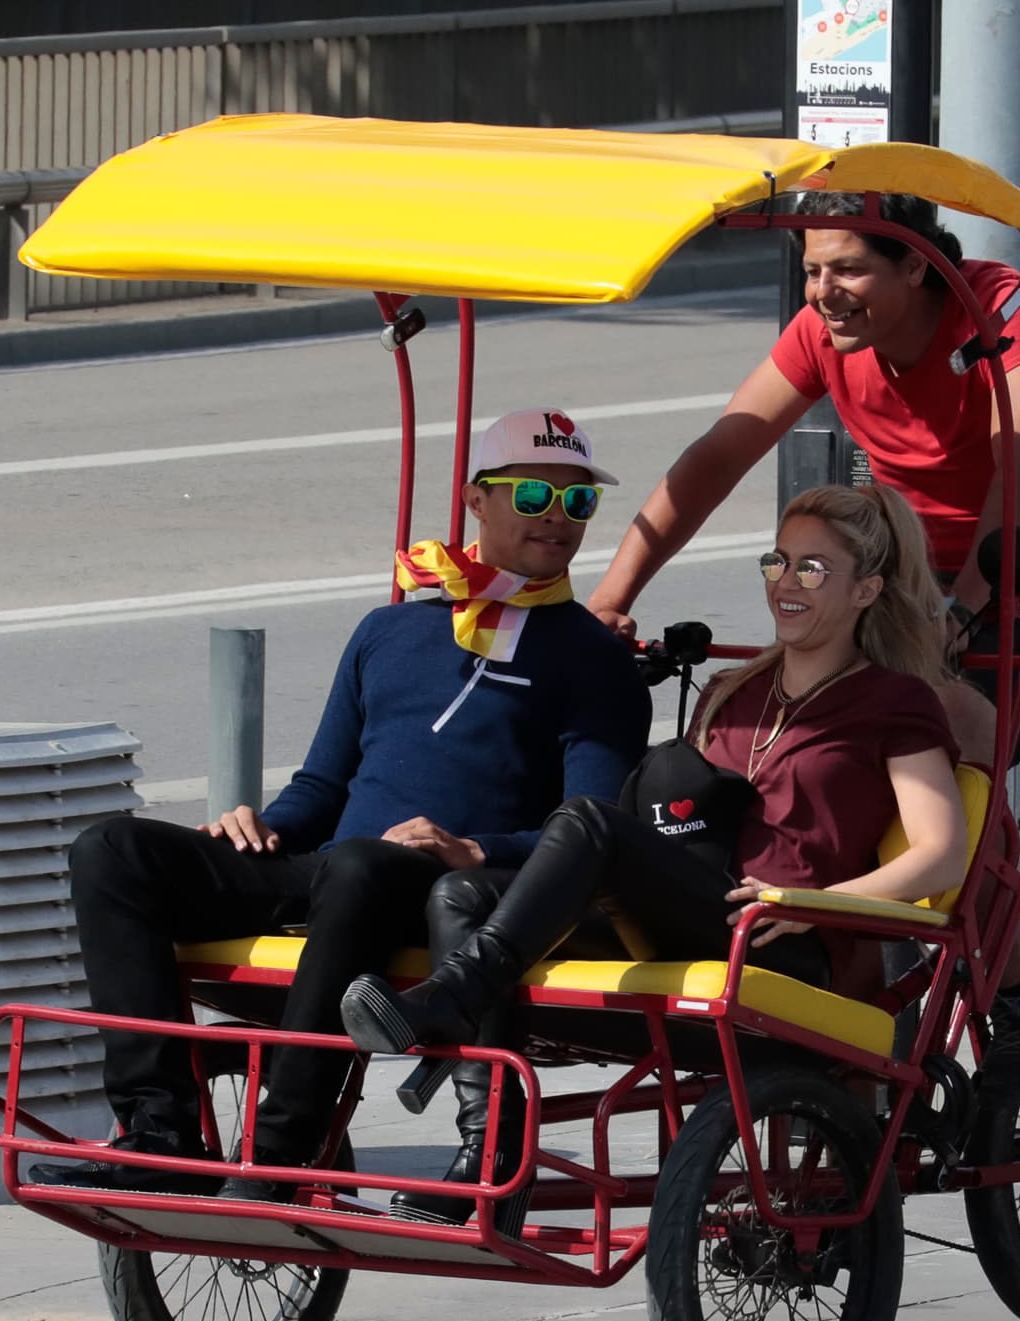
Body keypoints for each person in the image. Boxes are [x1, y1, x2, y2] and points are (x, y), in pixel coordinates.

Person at [584, 193, 1020, 1101]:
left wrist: (960, 611)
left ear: (917, 263)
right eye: (810, 270)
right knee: (783, 733)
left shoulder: (997, 305)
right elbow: (721, 453)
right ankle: (839, 995)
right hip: (906, 587)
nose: (823, 291)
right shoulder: (823, 333)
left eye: (848, 268)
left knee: (960, 735)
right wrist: (613, 596)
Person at [29, 409, 651, 1200]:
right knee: (111, 850)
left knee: (360, 865)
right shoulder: (389, 628)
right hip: (336, 873)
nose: (557, 517)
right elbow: (322, 786)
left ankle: (285, 1146)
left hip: (445, 889)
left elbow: (591, 834)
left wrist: (474, 849)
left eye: (578, 501)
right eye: (534, 495)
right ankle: (157, 1131)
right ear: (477, 499)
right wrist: (261, 823)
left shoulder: (595, 659)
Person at [341, 483, 970, 1221]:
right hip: (693, 912)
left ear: (866, 589)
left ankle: (448, 999)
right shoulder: (733, 690)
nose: (785, 583)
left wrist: (815, 904)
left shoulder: (894, 701)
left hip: (781, 936)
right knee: (461, 895)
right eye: (777, 562)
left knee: (589, 821)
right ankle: (492, 1157)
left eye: (812, 569)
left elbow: (941, 854)